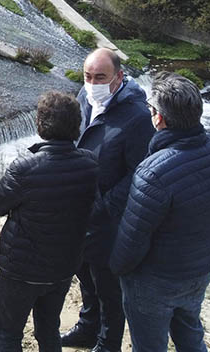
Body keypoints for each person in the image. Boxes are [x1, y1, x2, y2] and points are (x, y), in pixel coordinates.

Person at [110, 73, 210, 352]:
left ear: (158, 118)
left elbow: (132, 240)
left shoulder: (152, 172)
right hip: (199, 269)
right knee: (190, 333)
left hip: (155, 281)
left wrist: (117, 270)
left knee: (149, 346)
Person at [0, 91, 99, 352]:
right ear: (77, 125)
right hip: (62, 268)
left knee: (8, 334)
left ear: (41, 124)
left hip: (21, 270)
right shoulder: (91, 164)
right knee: (49, 329)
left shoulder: (24, 167)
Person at [61, 48, 153, 352]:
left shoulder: (137, 116)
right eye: (88, 76)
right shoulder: (84, 96)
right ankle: (87, 329)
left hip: (109, 219)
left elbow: (140, 171)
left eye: (100, 77)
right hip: (77, 209)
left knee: (108, 286)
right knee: (84, 274)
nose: (92, 82)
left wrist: (106, 205)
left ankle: (108, 342)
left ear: (119, 78)